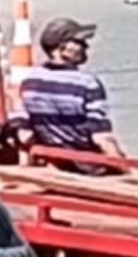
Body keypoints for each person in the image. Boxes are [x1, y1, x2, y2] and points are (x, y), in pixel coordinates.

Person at [16, 18, 125, 168]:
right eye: (79, 42)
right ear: (61, 47)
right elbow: (101, 137)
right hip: (90, 166)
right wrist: (125, 169)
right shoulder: (87, 84)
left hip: (56, 163)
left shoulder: (30, 82)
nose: (85, 46)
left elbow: (24, 135)